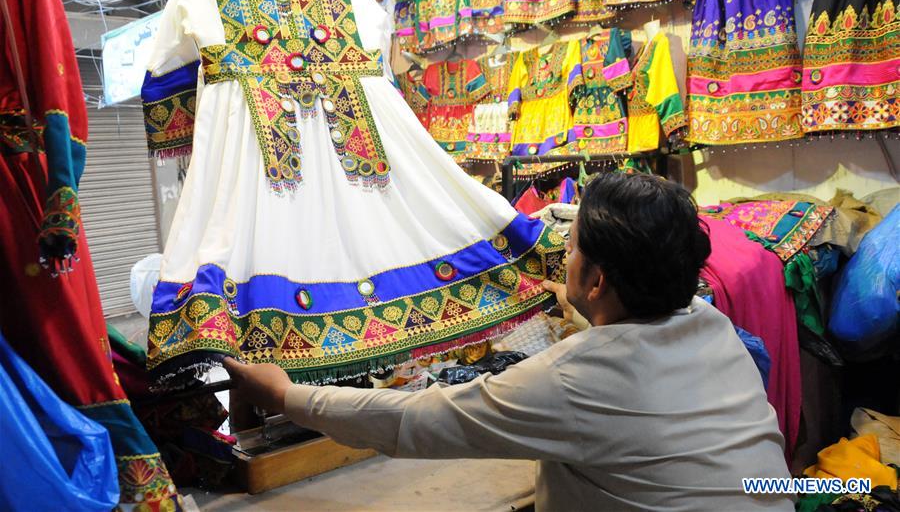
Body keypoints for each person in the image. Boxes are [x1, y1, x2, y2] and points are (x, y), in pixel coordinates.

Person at [224, 171, 792, 510]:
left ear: (597, 279)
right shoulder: (713, 327)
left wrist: (283, 396)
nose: (562, 255)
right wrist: (582, 305)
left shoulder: (576, 377)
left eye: (570, 248)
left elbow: (414, 421)